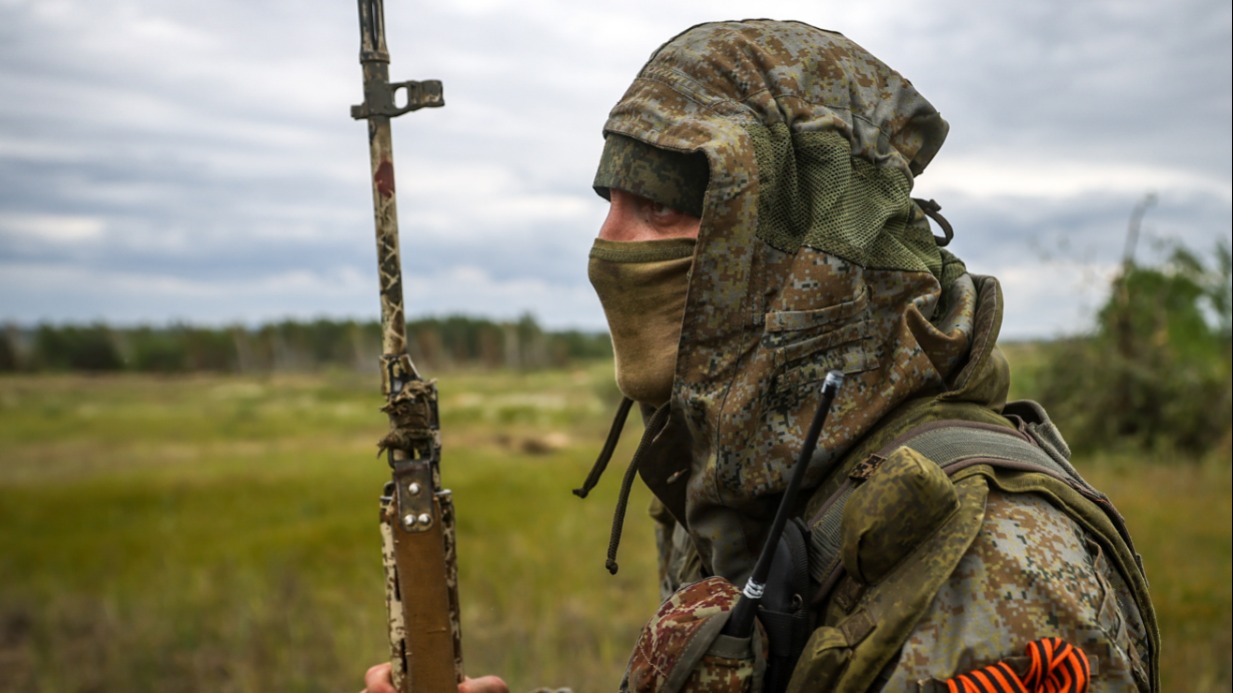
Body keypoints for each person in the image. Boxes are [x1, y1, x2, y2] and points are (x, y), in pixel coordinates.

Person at [364, 19, 1158, 692]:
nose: (608, 245)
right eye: (610, 203)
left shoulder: (995, 569)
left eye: (659, 206)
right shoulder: (753, 468)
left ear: (798, 250)